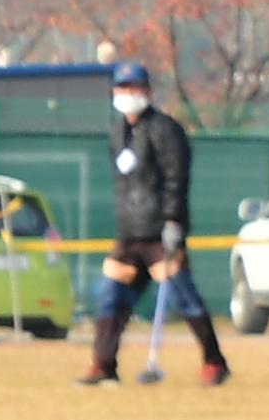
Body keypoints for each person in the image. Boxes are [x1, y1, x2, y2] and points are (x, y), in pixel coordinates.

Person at [83, 57, 229, 388]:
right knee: (110, 297)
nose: (128, 94)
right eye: (122, 88)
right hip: (129, 235)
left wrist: (174, 221)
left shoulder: (165, 130)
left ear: (147, 91)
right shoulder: (118, 132)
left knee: (184, 297)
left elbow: (176, 178)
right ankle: (103, 366)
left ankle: (214, 361)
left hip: (161, 233)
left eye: (134, 87)